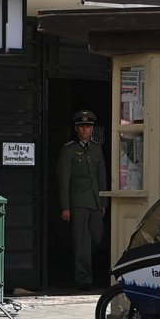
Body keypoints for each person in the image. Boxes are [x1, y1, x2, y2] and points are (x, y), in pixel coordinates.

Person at [57, 109, 108, 292]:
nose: (85, 130)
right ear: (76, 129)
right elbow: (63, 179)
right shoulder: (69, 149)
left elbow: (101, 175)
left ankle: (84, 266)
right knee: (81, 242)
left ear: (92, 129)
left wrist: (103, 202)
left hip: (95, 201)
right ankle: (83, 278)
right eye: (82, 127)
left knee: (97, 236)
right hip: (77, 202)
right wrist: (65, 207)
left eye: (88, 127)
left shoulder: (96, 148)